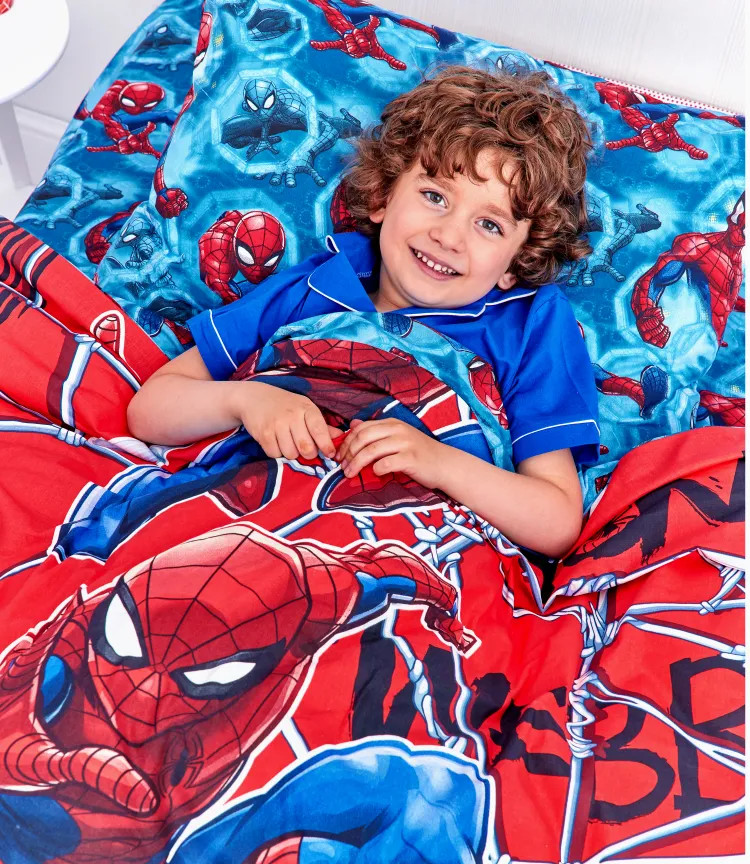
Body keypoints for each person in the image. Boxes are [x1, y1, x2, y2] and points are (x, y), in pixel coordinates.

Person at [127, 66, 599, 558]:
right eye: (434, 196)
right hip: (242, 517)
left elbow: (556, 521)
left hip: (403, 553)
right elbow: (149, 410)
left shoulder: (527, 323)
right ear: (382, 198)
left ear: (516, 264)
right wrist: (246, 401)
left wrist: (437, 462)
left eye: (490, 225)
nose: (449, 236)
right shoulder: (316, 284)